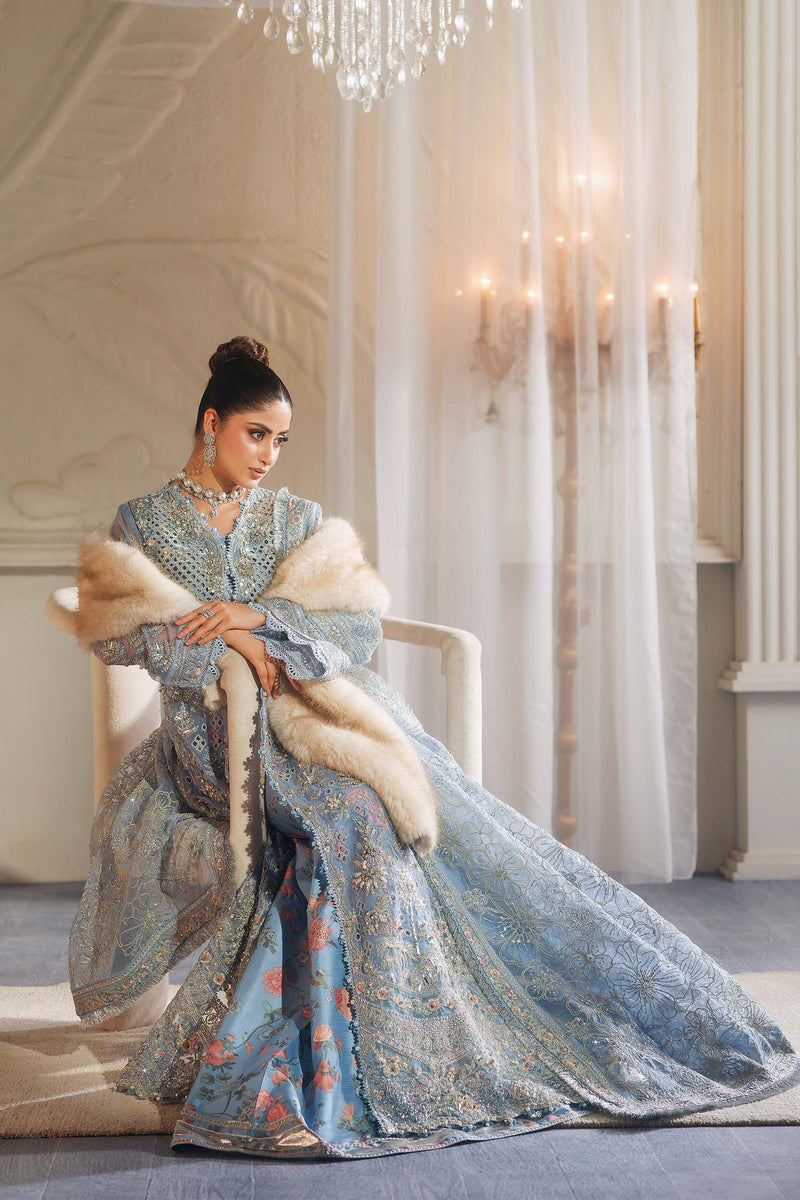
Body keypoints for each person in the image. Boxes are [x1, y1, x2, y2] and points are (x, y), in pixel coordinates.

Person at [66, 335, 800, 1160]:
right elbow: (123, 635)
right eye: (255, 434)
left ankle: (414, 1040)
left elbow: (355, 628)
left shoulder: (296, 520)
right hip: (215, 744)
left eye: (280, 439)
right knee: (351, 813)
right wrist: (234, 645)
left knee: (399, 808)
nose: (269, 455)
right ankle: (343, 1056)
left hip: (321, 718)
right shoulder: (143, 524)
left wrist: (260, 618)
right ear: (211, 424)